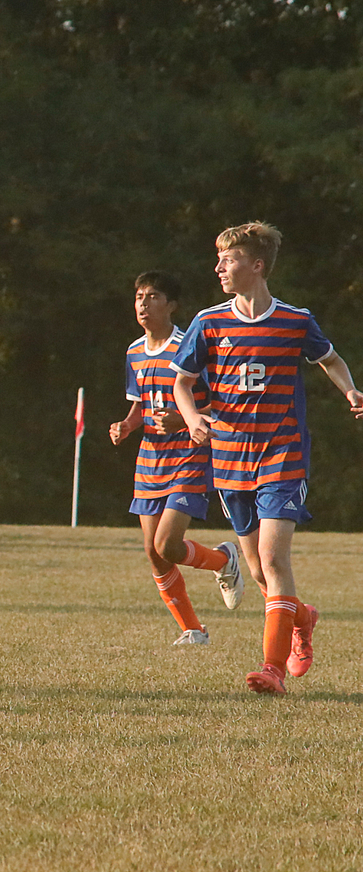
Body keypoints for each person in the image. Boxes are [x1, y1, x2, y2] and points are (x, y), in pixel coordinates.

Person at [171, 222, 363, 695]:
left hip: (283, 454)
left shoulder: (295, 321)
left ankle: (272, 669)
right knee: (258, 570)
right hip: (230, 457)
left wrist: (351, 390)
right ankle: (302, 618)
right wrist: (193, 418)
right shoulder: (208, 322)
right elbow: (182, 383)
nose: (219, 267)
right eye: (219, 259)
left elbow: (330, 359)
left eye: (229, 259)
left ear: (256, 265)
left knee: (275, 559)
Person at [108, 271, 245, 644]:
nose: (143, 303)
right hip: (150, 459)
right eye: (139, 296)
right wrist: (126, 425)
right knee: (155, 555)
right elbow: (141, 405)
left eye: (153, 296)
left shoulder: (189, 346)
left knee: (167, 544)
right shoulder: (134, 352)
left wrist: (183, 419)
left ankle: (223, 560)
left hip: (190, 454)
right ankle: (192, 630)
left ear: (172, 305)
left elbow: (222, 401)